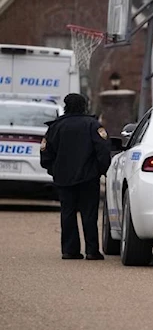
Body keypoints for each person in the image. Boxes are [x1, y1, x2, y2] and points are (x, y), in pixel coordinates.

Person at [40, 93, 111, 260]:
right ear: (84, 106)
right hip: (88, 178)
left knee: (67, 213)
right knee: (89, 213)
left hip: (63, 178)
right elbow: (103, 151)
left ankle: (70, 250)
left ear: (65, 106)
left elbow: (45, 153)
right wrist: (99, 171)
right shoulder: (93, 125)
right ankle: (92, 251)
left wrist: (54, 170)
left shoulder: (55, 127)